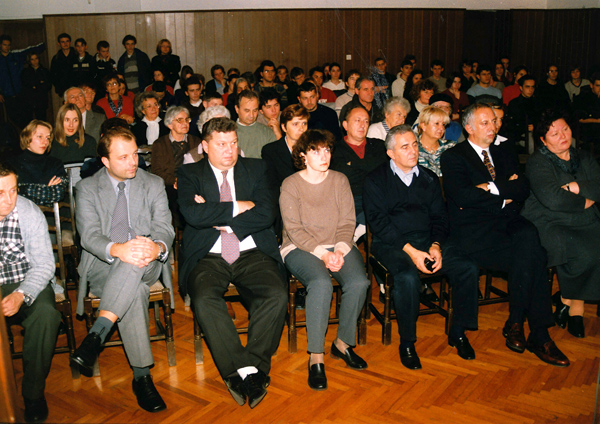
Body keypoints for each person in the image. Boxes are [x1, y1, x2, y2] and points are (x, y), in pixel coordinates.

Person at [440, 103, 570, 367]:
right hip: (475, 233)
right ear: (469, 127)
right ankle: (536, 333)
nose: (493, 127)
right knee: (534, 256)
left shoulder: (504, 151)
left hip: (507, 225)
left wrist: (488, 188)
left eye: (494, 121)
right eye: (485, 123)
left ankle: (518, 324)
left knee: (529, 237)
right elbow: (463, 197)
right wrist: (502, 193)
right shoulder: (454, 157)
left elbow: (522, 188)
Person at [177, 117, 287, 409]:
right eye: (222, 144)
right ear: (205, 146)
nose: (230, 150)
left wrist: (222, 218)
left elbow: (267, 213)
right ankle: (248, 372)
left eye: (234, 143)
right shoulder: (189, 173)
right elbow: (192, 214)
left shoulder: (257, 168)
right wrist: (239, 206)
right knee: (204, 298)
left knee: (276, 294)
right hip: (208, 254)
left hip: (251, 250)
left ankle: (248, 369)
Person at [70, 126, 174, 412]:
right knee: (135, 290)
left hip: (147, 261)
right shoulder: (87, 188)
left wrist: (156, 248)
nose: (133, 162)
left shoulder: (153, 183)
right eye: (123, 157)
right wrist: (119, 249)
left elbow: (164, 227)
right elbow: (89, 235)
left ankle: (97, 334)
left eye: (135, 154)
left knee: (135, 257)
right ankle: (142, 378)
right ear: (105, 161)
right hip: (103, 264)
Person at [363, 125, 479, 369]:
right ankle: (407, 342)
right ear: (391, 153)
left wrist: (436, 246)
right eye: (405, 147)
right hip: (391, 243)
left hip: (427, 239)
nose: (413, 151)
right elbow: (379, 224)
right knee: (407, 278)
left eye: (415, 145)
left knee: (467, 266)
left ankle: (458, 332)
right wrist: (412, 252)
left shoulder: (428, 178)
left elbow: (440, 217)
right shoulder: (375, 180)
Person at [280, 129, 369, 390]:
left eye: (327, 150)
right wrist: (324, 254)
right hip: (300, 247)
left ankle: (342, 344)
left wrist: (338, 250)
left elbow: (348, 222)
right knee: (320, 284)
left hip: (338, 244)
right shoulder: (291, 184)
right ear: (302, 155)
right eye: (316, 151)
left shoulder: (339, 180)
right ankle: (316, 356)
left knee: (359, 283)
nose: (324, 156)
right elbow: (294, 230)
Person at [522, 110, 600, 339]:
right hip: (549, 220)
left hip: (583, 217)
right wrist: (585, 199)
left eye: (565, 129)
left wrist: (575, 187)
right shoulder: (538, 161)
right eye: (554, 134)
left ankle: (566, 300)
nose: (563, 136)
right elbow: (553, 199)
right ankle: (577, 310)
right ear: (543, 140)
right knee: (582, 250)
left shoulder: (583, 156)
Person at [0, 160, 61, 423]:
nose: (9, 199)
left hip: (26, 279)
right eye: (0, 193)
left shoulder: (28, 212)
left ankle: (33, 393)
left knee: (46, 314)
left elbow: (45, 264)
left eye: (13, 190)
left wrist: (21, 294)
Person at [331, 105, 387, 226]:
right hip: (352, 200)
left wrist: (353, 164)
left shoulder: (379, 145)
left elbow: (385, 174)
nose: (363, 125)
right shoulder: (334, 150)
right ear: (345, 125)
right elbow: (344, 178)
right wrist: (371, 166)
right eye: (358, 120)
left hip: (380, 197)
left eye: (366, 121)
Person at [151, 106, 201, 225]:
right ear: (170, 124)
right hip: (170, 185)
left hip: (193, 184)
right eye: (180, 120)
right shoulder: (159, 144)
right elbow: (157, 171)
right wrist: (175, 180)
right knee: (173, 198)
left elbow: (202, 167)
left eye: (187, 119)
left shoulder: (196, 141)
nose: (185, 123)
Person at [13, 120, 67, 206]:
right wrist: (47, 189)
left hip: (49, 214)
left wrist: (25, 190)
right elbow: (13, 195)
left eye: (47, 138)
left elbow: (58, 194)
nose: (45, 142)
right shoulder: (11, 164)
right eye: (39, 136)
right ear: (27, 137)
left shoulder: (55, 164)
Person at [0, 34, 45, 126]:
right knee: (13, 118)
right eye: (4, 45)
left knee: (27, 117)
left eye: (9, 45)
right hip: (7, 96)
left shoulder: (16, 55)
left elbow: (32, 49)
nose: (7, 47)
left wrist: (46, 43)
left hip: (21, 93)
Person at [261, 104, 309, 189]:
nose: (301, 128)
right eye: (295, 124)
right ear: (284, 127)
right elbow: (272, 185)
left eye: (304, 123)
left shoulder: (312, 148)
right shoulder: (270, 151)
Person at [235, 89, 277, 158]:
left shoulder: (267, 132)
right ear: (237, 109)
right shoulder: (229, 132)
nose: (251, 115)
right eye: (247, 110)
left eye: (255, 110)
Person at [415, 105, 455, 177]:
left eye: (443, 124)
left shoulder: (451, 146)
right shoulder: (413, 148)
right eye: (437, 123)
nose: (441, 128)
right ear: (423, 126)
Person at [20, 52, 51, 122]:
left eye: (36, 58)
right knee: (30, 120)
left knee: (42, 120)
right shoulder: (26, 72)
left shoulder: (44, 71)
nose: (35, 61)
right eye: (32, 59)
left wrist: (36, 86)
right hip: (30, 100)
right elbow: (25, 85)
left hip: (41, 100)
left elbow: (48, 85)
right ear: (29, 61)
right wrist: (38, 84)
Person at [50, 33, 77, 98]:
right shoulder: (56, 58)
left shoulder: (77, 56)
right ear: (59, 43)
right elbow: (52, 75)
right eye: (62, 42)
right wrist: (58, 87)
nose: (65, 44)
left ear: (70, 42)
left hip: (77, 88)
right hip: (63, 90)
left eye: (67, 41)